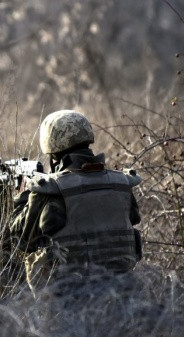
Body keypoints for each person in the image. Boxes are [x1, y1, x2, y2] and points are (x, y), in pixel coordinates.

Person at [9, 110, 142, 292]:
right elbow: (132, 221)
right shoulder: (122, 183)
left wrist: (22, 195)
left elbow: (22, 239)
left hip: (68, 299)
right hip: (125, 291)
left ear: (52, 149)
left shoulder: (50, 189)